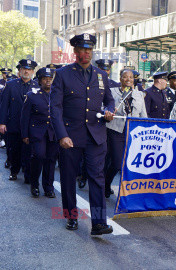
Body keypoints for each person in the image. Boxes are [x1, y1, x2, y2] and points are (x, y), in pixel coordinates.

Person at [50, 33, 115, 235]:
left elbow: (109, 100)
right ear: (75, 51)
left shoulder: (101, 75)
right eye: (82, 49)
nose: (86, 52)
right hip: (71, 136)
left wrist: (109, 110)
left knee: (97, 177)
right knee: (69, 178)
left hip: (96, 135)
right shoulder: (63, 74)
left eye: (89, 49)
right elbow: (56, 108)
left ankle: (98, 223)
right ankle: (71, 216)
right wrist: (62, 135)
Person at [104, 69, 147, 198]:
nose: (128, 79)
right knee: (117, 163)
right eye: (125, 77)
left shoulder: (139, 95)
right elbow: (105, 108)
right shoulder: (112, 92)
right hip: (116, 131)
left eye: (131, 77)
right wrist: (109, 111)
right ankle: (106, 183)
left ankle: (127, 192)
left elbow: (143, 114)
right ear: (120, 78)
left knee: (131, 163)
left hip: (134, 132)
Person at [20, 67, 58, 198]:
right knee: (39, 156)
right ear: (40, 81)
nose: (48, 81)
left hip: (53, 132)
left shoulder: (58, 95)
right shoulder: (32, 95)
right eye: (45, 79)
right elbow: (25, 117)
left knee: (51, 160)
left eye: (50, 79)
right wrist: (25, 134)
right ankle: (34, 184)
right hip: (37, 132)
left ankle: (48, 187)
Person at [0, 59, 39, 181]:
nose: (26, 71)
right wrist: (2, 122)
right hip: (14, 123)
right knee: (14, 150)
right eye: (24, 69)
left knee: (29, 151)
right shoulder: (11, 85)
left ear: (33, 71)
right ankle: (14, 171)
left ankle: (28, 175)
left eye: (29, 69)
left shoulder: (37, 86)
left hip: (30, 125)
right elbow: (4, 105)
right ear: (20, 70)